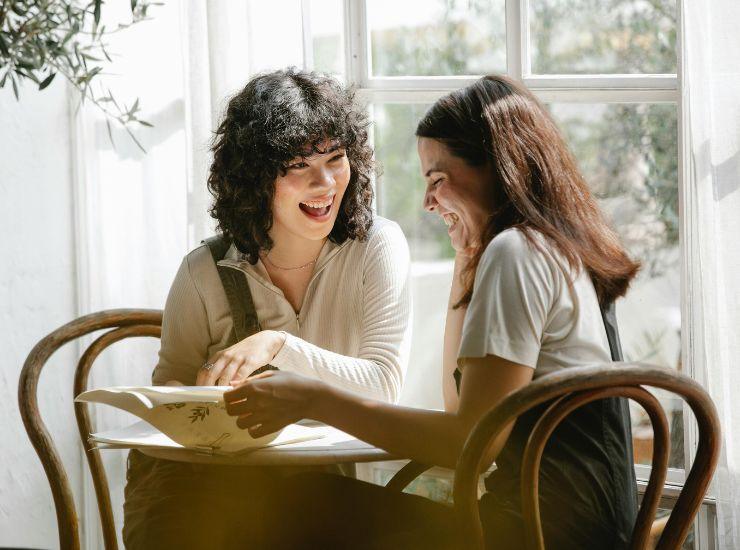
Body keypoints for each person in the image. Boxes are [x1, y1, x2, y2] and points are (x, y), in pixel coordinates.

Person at [224, 74, 641, 549]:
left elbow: (471, 445)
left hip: (536, 534)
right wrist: (465, 262)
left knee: (290, 506)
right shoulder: (548, 247)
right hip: (581, 529)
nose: (426, 202)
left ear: (498, 168)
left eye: (437, 180)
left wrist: (313, 399)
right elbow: (460, 411)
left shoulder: (517, 252)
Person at [122, 68, 412, 550]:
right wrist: (192, 399)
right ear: (255, 179)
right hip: (205, 492)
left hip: (316, 490)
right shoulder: (203, 271)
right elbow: (169, 386)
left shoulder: (376, 246)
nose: (326, 185)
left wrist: (277, 345)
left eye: (336, 159)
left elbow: (384, 386)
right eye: (299, 166)